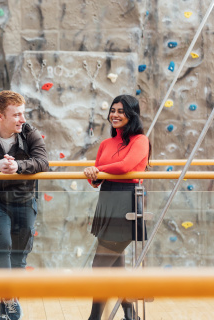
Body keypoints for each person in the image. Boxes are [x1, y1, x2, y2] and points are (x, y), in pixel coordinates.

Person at [0, 90, 49, 320]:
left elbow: (43, 162)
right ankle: (11, 301)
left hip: (24, 202)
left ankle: (6, 312)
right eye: (17, 115)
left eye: (23, 114)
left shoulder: (29, 132)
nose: (22, 119)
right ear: (0, 116)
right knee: (1, 243)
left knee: (19, 259)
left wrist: (18, 167)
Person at [83, 94, 150, 320]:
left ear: (131, 114)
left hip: (126, 202)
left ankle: (94, 318)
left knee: (99, 267)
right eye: (113, 110)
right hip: (107, 199)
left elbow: (126, 166)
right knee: (114, 267)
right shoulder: (105, 143)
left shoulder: (140, 140)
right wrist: (93, 174)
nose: (115, 115)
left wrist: (98, 170)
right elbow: (96, 180)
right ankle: (131, 313)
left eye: (121, 111)